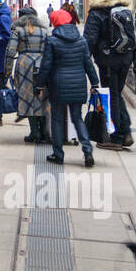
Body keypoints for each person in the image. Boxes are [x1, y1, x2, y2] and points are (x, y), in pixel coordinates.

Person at [34, 9, 99, 166]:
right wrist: (95, 83)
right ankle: (87, 151)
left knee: (57, 120)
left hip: (58, 85)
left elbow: (46, 65)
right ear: (70, 20)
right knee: (77, 118)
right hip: (78, 84)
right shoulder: (81, 40)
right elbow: (88, 64)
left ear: (55, 22)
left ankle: (58, 154)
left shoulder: (52, 40)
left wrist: (40, 84)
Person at [82, 0, 136, 146]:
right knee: (116, 94)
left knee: (112, 97)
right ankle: (126, 132)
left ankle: (117, 138)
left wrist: (82, 62)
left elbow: (89, 41)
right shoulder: (125, 10)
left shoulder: (96, 13)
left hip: (108, 61)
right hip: (126, 60)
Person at [8, 7, 50, 144]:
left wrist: (7, 70)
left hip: (24, 66)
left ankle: (34, 133)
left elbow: (10, 51)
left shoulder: (17, 30)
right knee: (42, 98)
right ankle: (44, 132)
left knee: (28, 98)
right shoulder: (44, 31)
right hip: (42, 65)